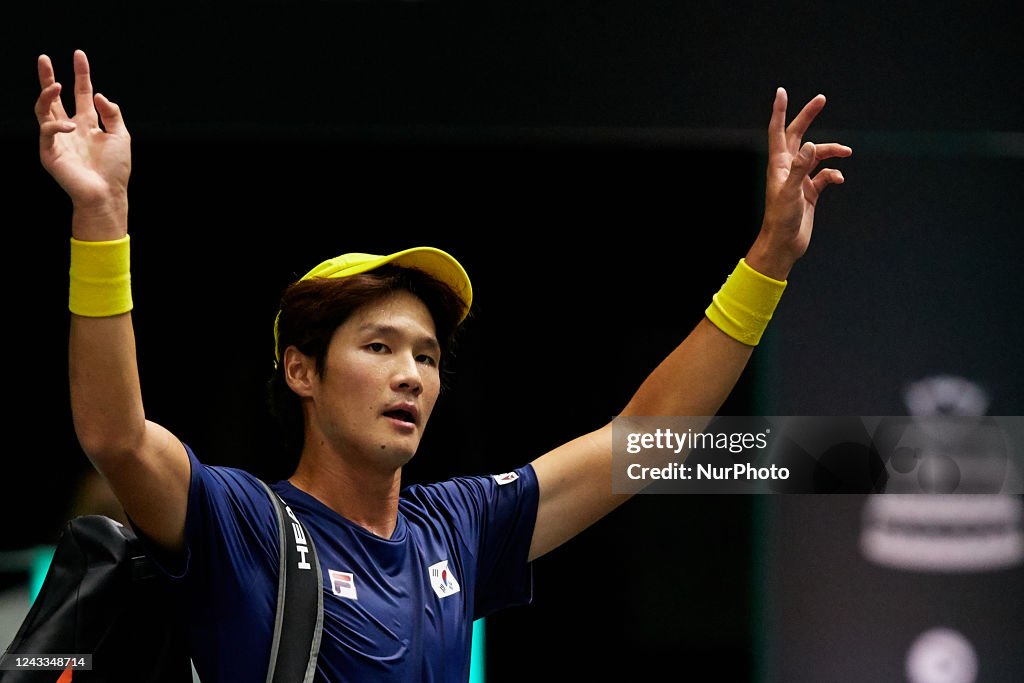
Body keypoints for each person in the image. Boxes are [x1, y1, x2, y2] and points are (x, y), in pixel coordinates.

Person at [35, 49, 851, 682]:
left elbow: (648, 440)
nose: (412, 375)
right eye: (380, 346)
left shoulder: (458, 527)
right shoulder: (241, 524)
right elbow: (117, 434)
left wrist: (769, 261)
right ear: (301, 371)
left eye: (427, 355)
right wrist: (101, 216)